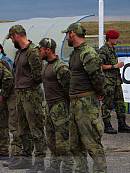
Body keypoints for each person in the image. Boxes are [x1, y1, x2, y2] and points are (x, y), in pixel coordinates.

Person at [61, 23, 107, 172]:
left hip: (86, 103)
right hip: (75, 103)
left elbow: (98, 78)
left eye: (66, 34)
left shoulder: (88, 53)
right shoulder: (75, 53)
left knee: (91, 142)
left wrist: (99, 92)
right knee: (75, 143)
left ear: (72, 33)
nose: (66, 37)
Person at [6, 24, 46, 173]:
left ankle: (40, 161)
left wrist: (28, 87)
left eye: (11, 37)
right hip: (20, 94)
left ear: (16, 35)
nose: (11, 41)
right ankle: (26, 159)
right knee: (23, 129)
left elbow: (38, 76)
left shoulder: (32, 52)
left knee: (36, 129)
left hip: (31, 94)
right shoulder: (19, 52)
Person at [37, 38, 74, 173]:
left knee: (62, 142)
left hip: (61, 107)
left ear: (48, 50)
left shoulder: (61, 67)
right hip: (50, 106)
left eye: (40, 50)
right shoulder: (46, 66)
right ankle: (54, 166)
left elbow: (69, 89)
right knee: (51, 140)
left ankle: (67, 167)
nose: (39, 53)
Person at [98, 30, 130, 134]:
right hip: (108, 82)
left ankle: (122, 124)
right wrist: (114, 66)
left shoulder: (113, 50)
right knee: (107, 104)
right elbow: (100, 66)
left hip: (116, 81)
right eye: (115, 38)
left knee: (120, 103)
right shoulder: (103, 51)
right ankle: (107, 125)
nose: (117, 40)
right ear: (110, 39)